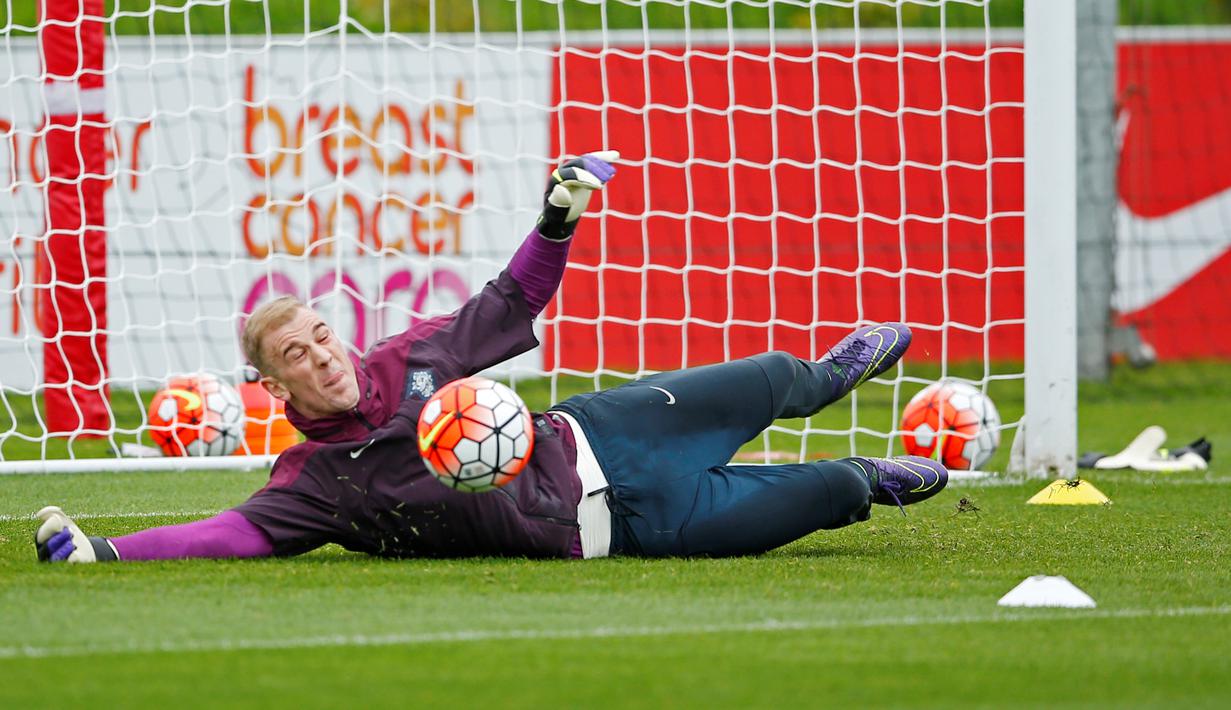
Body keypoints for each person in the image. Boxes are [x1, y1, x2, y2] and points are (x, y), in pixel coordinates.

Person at [34, 150, 948, 564]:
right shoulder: (315, 483)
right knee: (827, 495)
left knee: (778, 378)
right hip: (618, 529)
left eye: (322, 335)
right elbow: (229, 534)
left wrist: (557, 214)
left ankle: (837, 373)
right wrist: (106, 551)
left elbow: (509, 300)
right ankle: (869, 475)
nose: (323, 357)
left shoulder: (408, 359)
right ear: (272, 385)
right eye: (297, 356)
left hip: (605, 428)